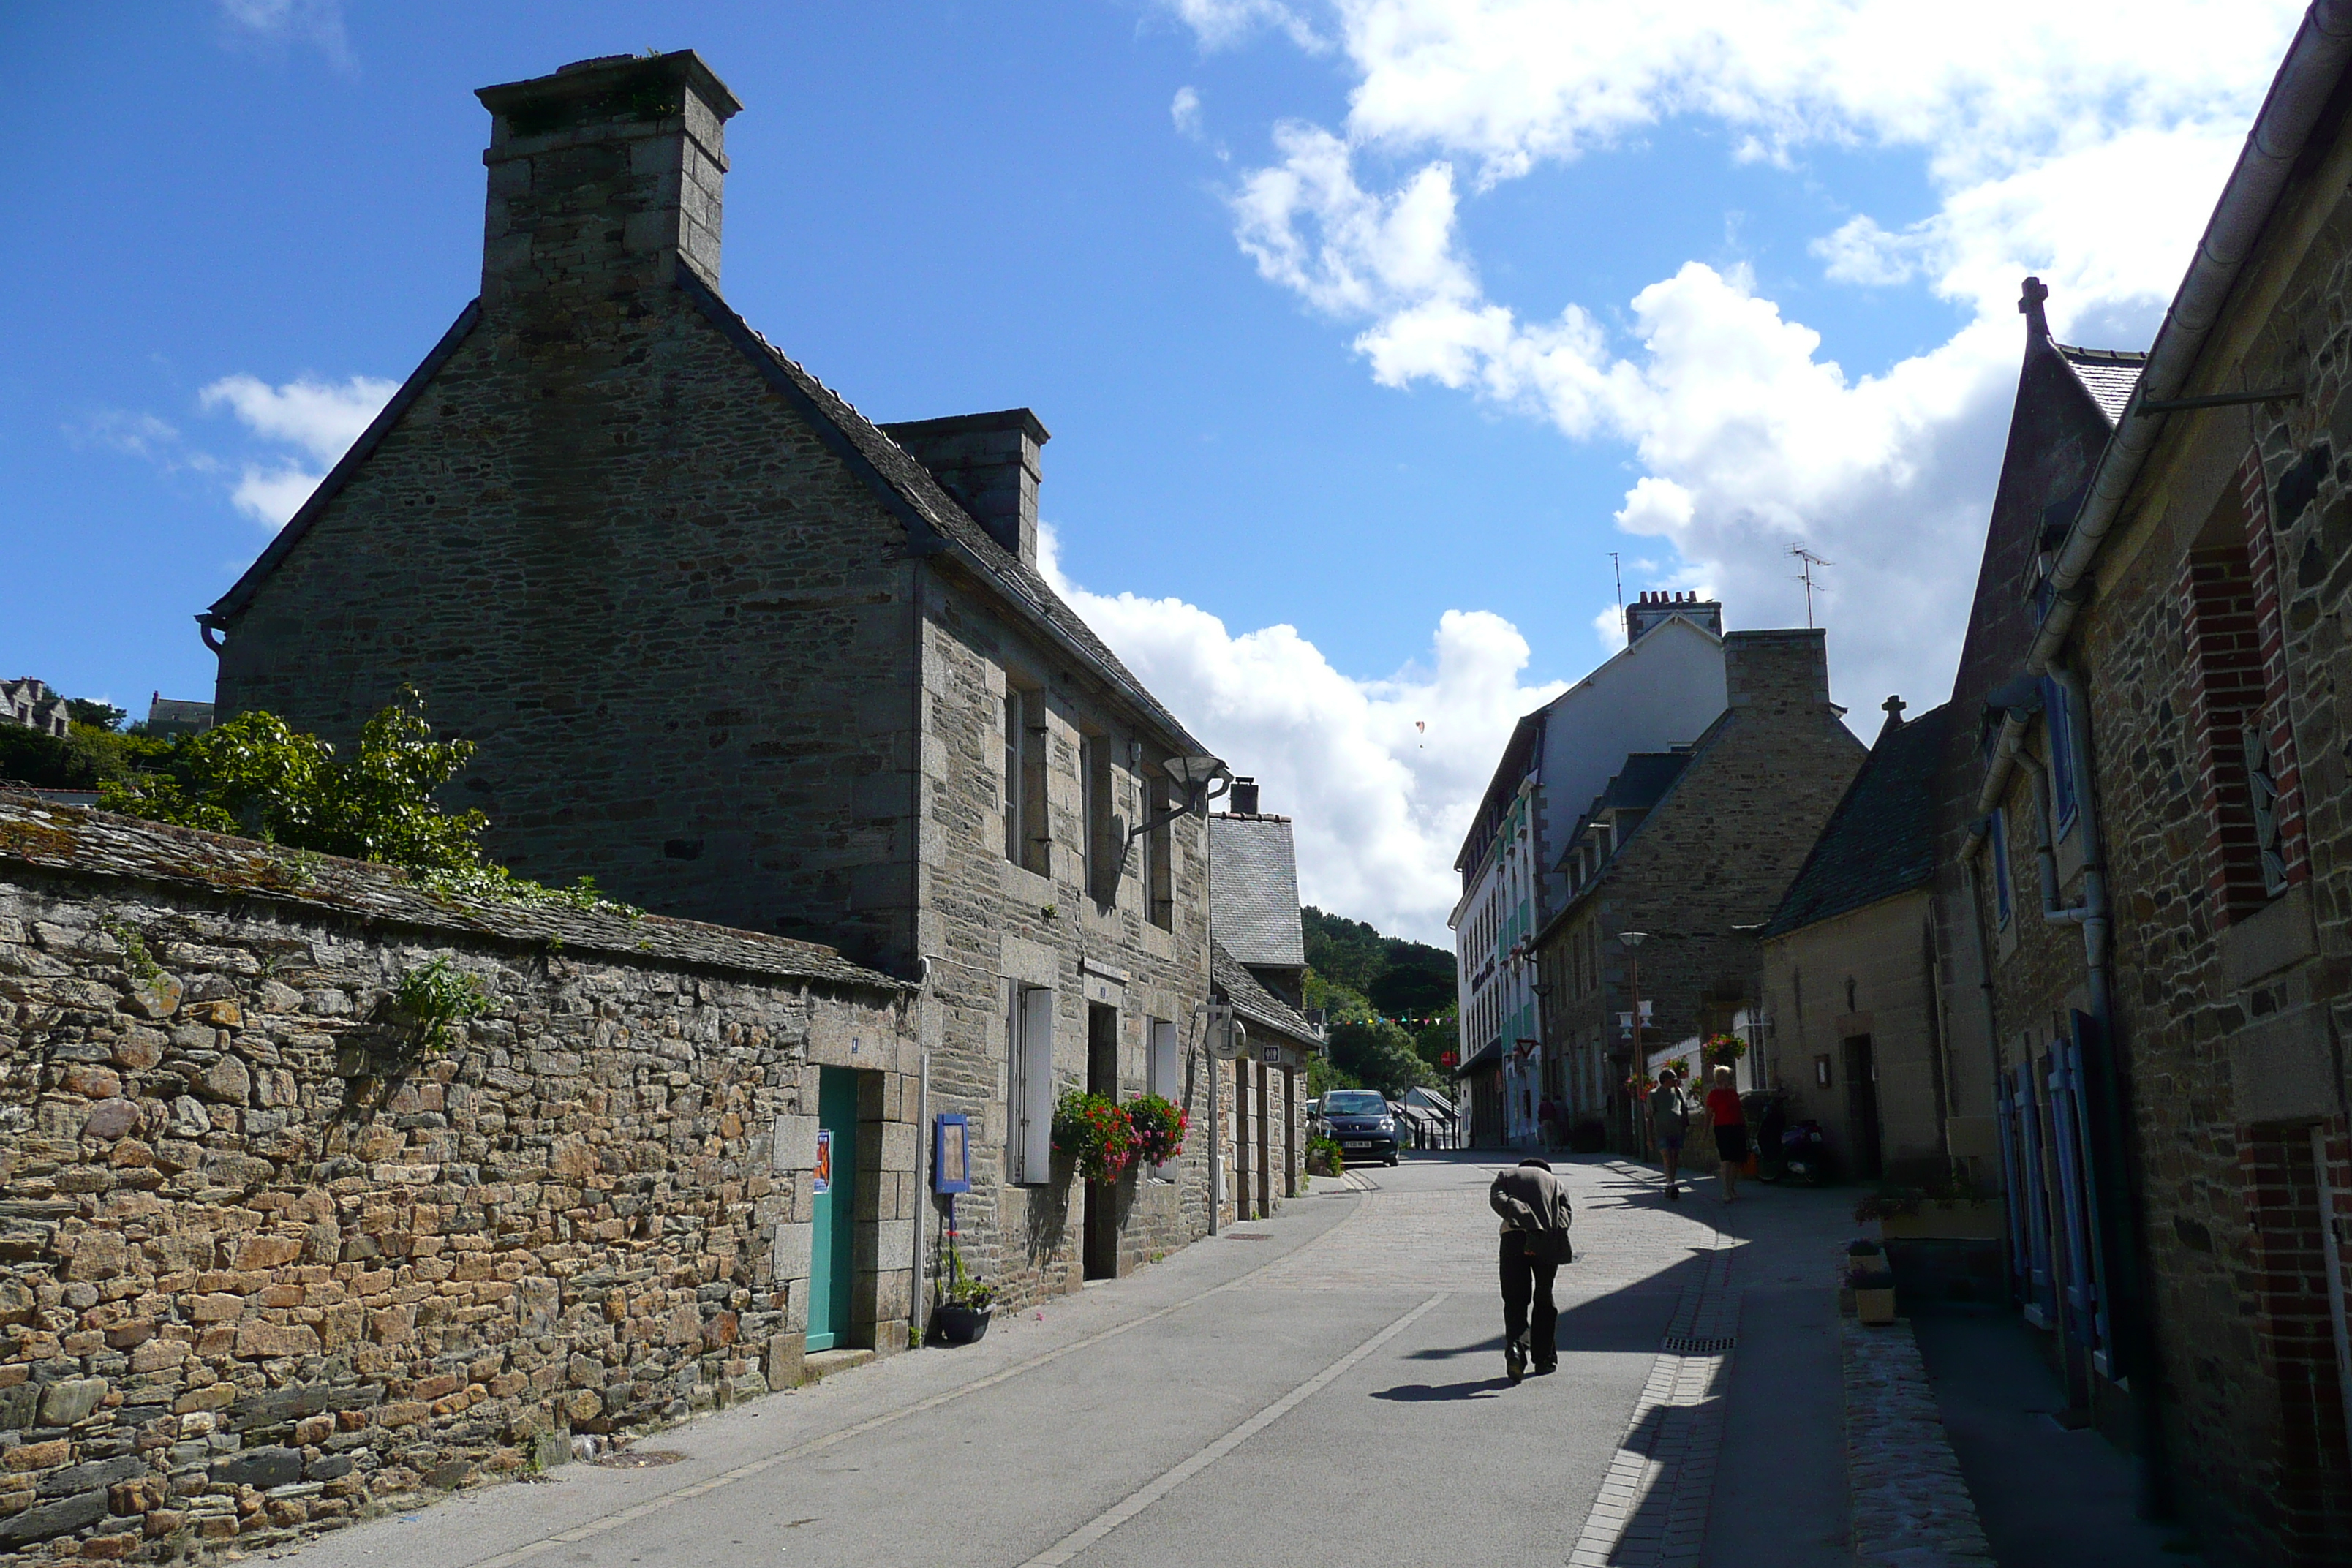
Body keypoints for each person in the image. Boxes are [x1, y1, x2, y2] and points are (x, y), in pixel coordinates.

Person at [1489, 1158, 1574, 1384]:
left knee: (1515, 1299)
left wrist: (1521, 1216)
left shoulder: (1506, 1176)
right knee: (1544, 1297)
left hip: (1512, 1238)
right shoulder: (1556, 1183)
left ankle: (1516, 1350)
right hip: (1546, 1240)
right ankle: (1544, 1359)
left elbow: (1496, 1200)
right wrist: (1546, 1228)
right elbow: (1566, 1214)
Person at [1705, 1064, 1748, 1204]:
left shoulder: (1733, 1093)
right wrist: (1705, 1132)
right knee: (1726, 1160)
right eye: (1729, 1077)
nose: (1732, 1079)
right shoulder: (1714, 1095)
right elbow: (1709, 1114)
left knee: (1736, 1160)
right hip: (1723, 1128)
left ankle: (1732, 1188)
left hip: (1737, 1127)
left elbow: (1739, 1111)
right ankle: (1725, 1190)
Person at [1648, 1068, 1689, 1199]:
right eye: (1673, 1078)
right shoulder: (1654, 1094)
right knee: (1667, 1156)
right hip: (1662, 1131)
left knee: (1675, 1155)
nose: (1676, 1081)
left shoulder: (1678, 1092)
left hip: (1676, 1130)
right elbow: (1649, 1116)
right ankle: (1669, 1182)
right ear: (1666, 1080)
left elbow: (1684, 1108)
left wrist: (1685, 1125)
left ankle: (1672, 1180)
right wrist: (1649, 1137)